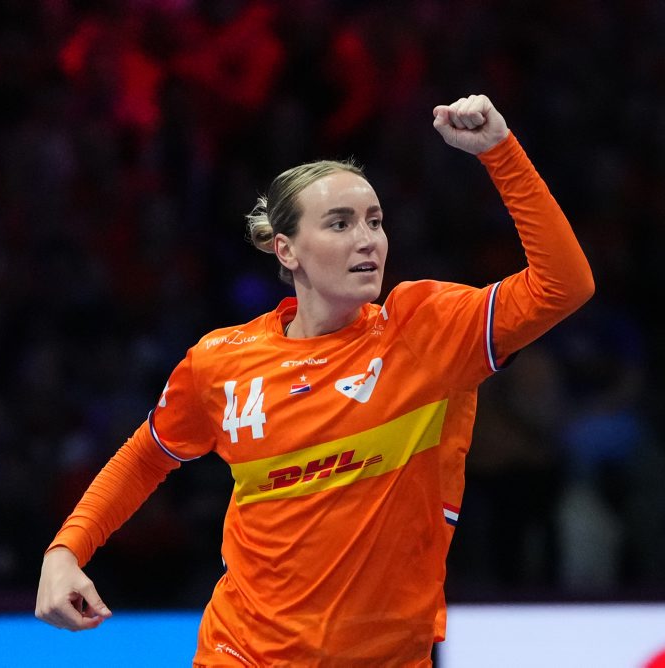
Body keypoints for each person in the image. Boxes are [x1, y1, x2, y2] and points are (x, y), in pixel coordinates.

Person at [35, 94, 594, 666]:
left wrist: (500, 151)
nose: (367, 239)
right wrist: (66, 551)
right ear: (287, 250)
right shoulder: (221, 361)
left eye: (375, 221)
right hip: (241, 653)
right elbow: (146, 456)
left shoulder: (425, 330)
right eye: (340, 223)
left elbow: (564, 286)